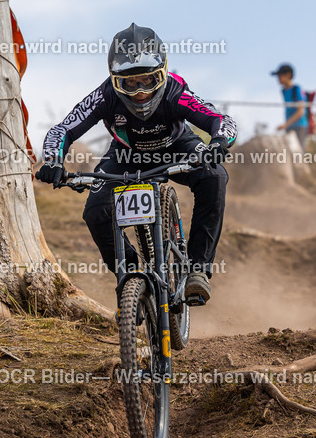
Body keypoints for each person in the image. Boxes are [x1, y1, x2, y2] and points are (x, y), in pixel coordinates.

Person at [35, 23, 237, 304]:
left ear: (162, 74)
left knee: (214, 177)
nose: (140, 91)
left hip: (177, 147)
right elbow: (62, 130)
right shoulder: (104, 95)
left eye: (148, 80)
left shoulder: (175, 92)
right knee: (95, 212)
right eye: (129, 83)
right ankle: (131, 273)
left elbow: (220, 119)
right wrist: (54, 161)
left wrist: (218, 143)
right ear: (115, 80)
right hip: (126, 155)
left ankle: (198, 269)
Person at [271, 63, 313, 149]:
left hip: (300, 126)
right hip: (290, 127)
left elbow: (301, 111)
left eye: (280, 75)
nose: (278, 78)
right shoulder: (283, 91)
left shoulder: (297, 89)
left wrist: (285, 124)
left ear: (288, 75)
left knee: (298, 153)